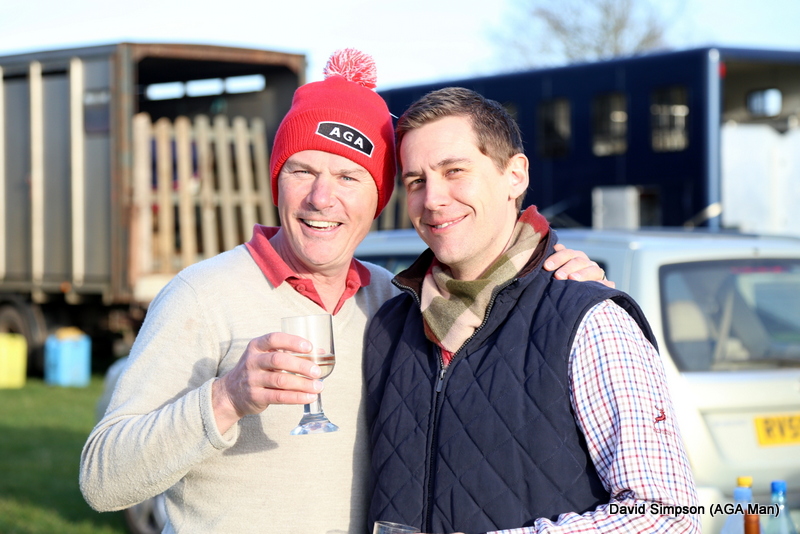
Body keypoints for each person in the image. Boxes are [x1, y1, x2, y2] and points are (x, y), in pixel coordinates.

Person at [79, 51, 606, 534]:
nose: (321, 197)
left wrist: (561, 281)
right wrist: (227, 398)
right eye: (301, 171)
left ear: (377, 199)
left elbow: (496, 297)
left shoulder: (394, 301)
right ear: (276, 183)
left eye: (349, 177)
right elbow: (103, 481)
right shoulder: (201, 295)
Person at [364, 87, 700, 534]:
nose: (433, 199)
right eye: (416, 181)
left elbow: (666, 514)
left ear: (515, 175)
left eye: (455, 171)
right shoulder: (391, 322)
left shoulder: (591, 321)